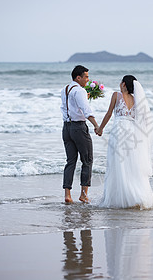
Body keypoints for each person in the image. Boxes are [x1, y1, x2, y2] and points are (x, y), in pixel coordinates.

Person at [96, 75, 153, 209]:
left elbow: (109, 113)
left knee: (117, 164)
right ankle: (135, 196)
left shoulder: (116, 95)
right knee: (131, 165)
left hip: (119, 132)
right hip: (132, 133)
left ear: (123, 84)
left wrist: (100, 128)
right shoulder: (136, 99)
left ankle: (119, 199)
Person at [60, 65, 99, 204]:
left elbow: (71, 106)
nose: (88, 80)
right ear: (78, 77)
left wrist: (85, 96)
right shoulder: (80, 91)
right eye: (86, 77)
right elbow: (86, 110)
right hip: (78, 128)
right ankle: (83, 194)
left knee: (70, 161)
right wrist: (96, 125)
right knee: (87, 160)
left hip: (66, 128)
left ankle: (67, 194)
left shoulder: (65, 90)